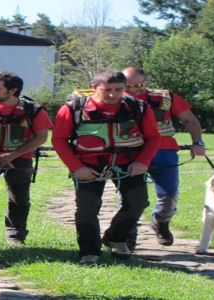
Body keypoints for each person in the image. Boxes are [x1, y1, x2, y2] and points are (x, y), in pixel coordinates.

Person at [51, 69, 160, 264]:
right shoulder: (73, 108)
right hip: (88, 166)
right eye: (107, 89)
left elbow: (153, 138)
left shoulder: (139, 108)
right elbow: (59, 140)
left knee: (137, 202)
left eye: (119, 89)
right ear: (94, 88)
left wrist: (143, 161)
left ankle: (115, 237)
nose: (113, 95)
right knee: (87, 209)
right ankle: (89, 251)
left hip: (128, 164)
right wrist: (76, 167)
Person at [122, 67, 205, 247]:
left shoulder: (165, 97)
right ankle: (127, 233)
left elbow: (189, 119)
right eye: (128, 86)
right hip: (130, 151)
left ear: (147, 80)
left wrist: (197, 142)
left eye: (139, 85)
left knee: (169, 193)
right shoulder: (115, 99)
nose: (134, 90)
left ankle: (161, 222)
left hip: (163, 151)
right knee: (129, 195)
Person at [0, 72, 52, 247]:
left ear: (13, 90)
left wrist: (12, 155)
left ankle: (16, 235)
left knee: (19, 198)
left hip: (20, 157)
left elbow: (41, 137)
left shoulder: (33, 110)